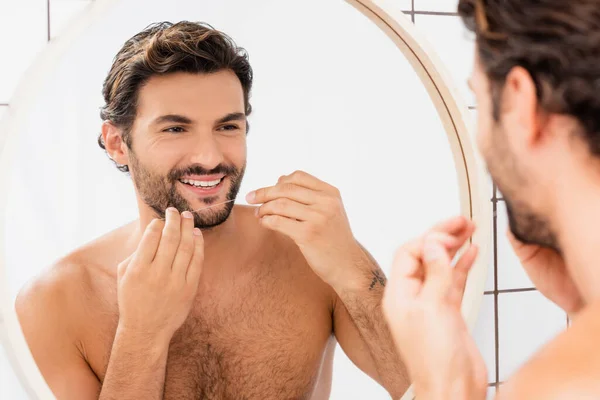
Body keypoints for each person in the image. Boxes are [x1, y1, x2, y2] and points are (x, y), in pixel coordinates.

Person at [15, 21, 409, 400]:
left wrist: (355, 272)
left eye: (227, 127)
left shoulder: (308, 254)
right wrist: (141, 335)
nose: (209, 157)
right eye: (175, 129)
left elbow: (432, 388)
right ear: (118, 143)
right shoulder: (53, 303)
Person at [382, 0, 600, 398]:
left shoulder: (556, 387)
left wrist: (444, 388)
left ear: (519, 101)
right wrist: (584, 304)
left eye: (480, 101)